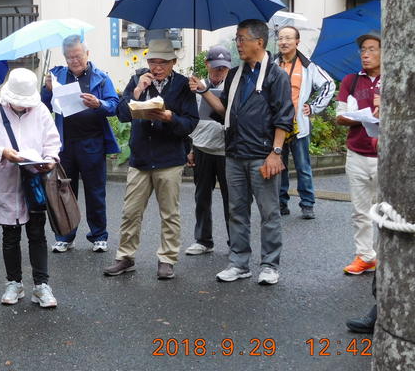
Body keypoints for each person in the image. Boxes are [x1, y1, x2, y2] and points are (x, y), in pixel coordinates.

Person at [189, 19, 294, 286]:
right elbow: (225, 110)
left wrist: (276, 153)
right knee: (237, 210)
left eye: (241, 39)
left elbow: (284, 117)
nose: (238, 44)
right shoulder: (235, 74)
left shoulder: (275, 75)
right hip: (234, 153)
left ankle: (270, 264)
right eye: (236, 38)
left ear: (259, 42)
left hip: (263, 154)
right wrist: (203, 91)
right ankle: (239, 263)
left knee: (269, 212)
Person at [103, 39, 199, 280]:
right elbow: (122, 114)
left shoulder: (183, 86)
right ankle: (125, 256)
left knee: (170, 213)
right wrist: (136, 92)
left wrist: (170, 118)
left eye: (163, 63)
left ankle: (167, 259)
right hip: (141, 157)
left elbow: (191, 122)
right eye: (152, 62)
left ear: (173, 63)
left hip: (169, 158)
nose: (156, 68)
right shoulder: (138, 80)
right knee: (130, 211)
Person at [0, 68, 62, 307]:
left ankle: (41, 286)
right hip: (6, 181)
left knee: (37, 233)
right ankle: (14, 283)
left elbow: (52, 141)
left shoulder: (41, 110)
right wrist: (2, 152)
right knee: (10, 235)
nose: (22, 107)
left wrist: (51, 159)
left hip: (35, 182)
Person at [40, 35, 120, 253]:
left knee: (95, 191)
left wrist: (99, 103)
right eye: (69, 57)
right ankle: (65, 235)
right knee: (64, 190)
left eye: (77, 56)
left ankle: (99, 235)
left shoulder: (101, 78)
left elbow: (114, 105)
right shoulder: (56, 76)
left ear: (87, 54)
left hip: (92, 142)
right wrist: (47, 89)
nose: (74, 61)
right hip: (64, 143)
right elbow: (43, 105)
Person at [274, 26, 336, 219]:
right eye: (281, 38)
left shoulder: (307, 66)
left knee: (303, 166)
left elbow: (329, 84)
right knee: (279, 165)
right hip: (277, 124)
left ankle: (307, 204)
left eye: (288, 38)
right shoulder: (272, 64)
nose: (284, 42)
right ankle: (281, 202)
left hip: (298, 123)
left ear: (297, 42)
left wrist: (314, 106)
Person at [336, 31, 381, 275]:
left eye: (372, 49)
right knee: (360, 211)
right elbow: (340, 116)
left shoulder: (396, 79)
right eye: (363, 49)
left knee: (388, 211)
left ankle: (389, 256)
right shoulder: (351, 81)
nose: (366, 54)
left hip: (387, 157)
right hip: (357, 153)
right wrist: (364, 116)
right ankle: (365, 256)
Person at [185, 46, 231, 256]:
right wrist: (191, 148)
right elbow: (191, 121)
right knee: (201, 195)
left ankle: (235, 241)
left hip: (227, 151)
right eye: (215, 68)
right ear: (207, 65)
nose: (219, 72)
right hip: (202, 147)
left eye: (223, 68)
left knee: (231, 199)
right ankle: (203, 240)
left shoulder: (234, 86)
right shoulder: (196, 86)